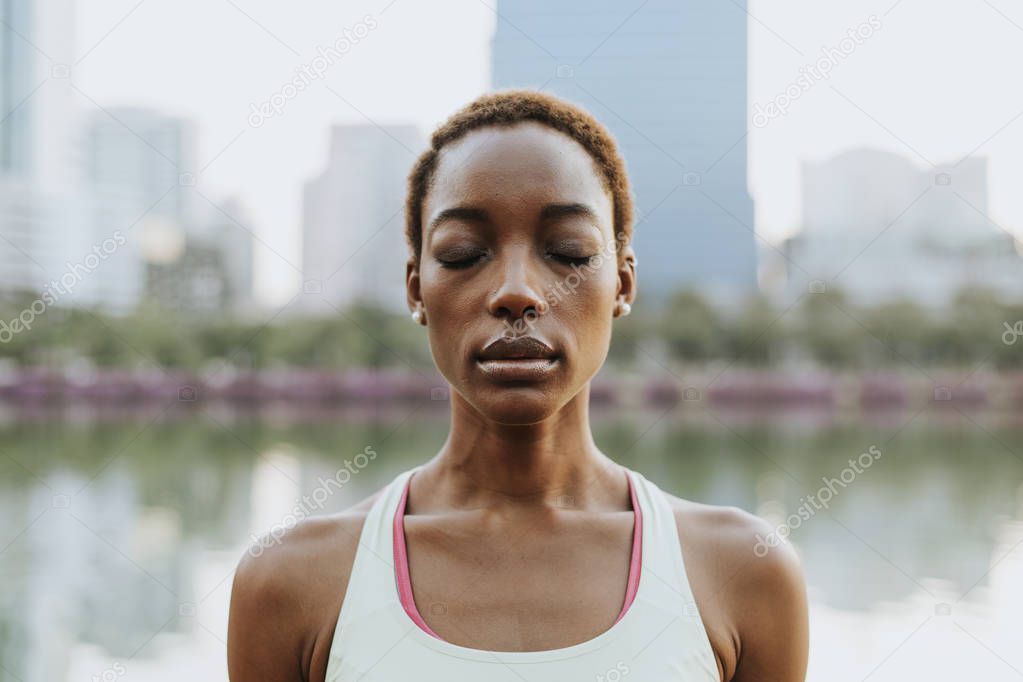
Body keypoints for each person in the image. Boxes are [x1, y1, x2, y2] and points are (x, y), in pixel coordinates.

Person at [227, 90, 809, 681]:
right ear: (415, 289)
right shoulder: (292, 581)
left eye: (568, 252)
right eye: (463, 254)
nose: (516, 292)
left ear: (623, 285)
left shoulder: (743, 573)